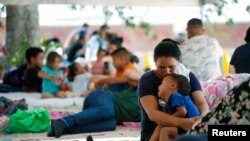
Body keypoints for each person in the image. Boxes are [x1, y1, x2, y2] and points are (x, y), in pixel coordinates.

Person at [138, 38, 209, 141]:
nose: (167, 71)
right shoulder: (147, 80)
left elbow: (201, 103)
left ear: (179, 62)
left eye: (171, 66)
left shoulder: (187, 76)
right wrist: (183, 123)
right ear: (154, 63)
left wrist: (201, 120)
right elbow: (153, 114)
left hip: (189, 126)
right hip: (153, 134)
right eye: (161, 67)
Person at [150, 74, 200, 141]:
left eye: (162, 83)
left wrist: (168, 120)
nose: (159, 86)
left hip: (193, 126)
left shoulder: (175, 96)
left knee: (165, 131)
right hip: (188, 125)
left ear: (172, 85)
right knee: (160, 126)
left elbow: (182, 112)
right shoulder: (173, 99)